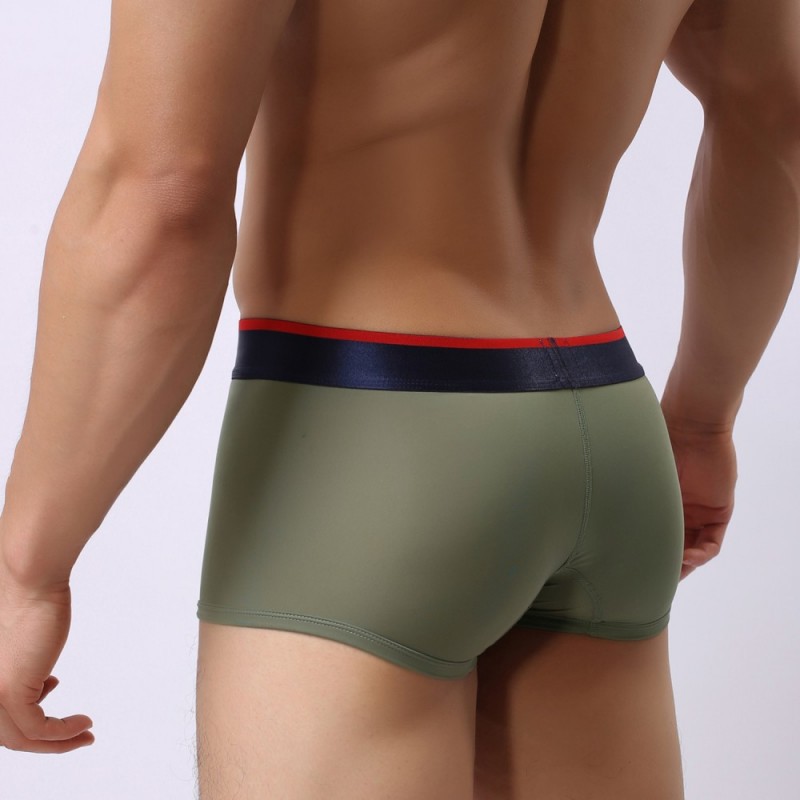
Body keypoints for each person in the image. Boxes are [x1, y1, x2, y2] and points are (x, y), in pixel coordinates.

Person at [0, 0, 796, 797]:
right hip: (607, 417)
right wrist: (703, 421)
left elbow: (160, 196)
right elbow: (774, 116)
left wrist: (27, 569)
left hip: (368, 437)